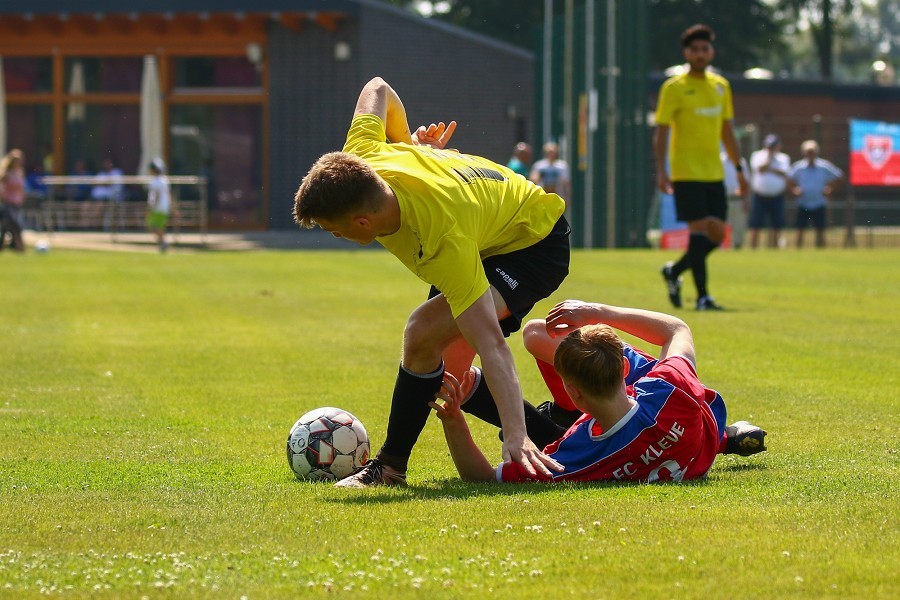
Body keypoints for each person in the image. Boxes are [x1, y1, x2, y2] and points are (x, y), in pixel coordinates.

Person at [293, 76, 571, 488]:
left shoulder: (441, 239)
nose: (337, 238)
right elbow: (378, 87)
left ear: (363, 221)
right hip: (485, 228)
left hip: (532, 243)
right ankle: (561, 437)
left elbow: (491, 343)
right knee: (450, 378)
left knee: (422, 333)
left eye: (336, 230)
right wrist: (408, 145)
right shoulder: (360, 156)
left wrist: (515, 433)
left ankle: (389, 467)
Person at [430, 300, 768, 484]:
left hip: (669, 442)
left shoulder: (578, 455)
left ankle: (556, 414)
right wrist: (599, 312)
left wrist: (454, 422)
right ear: (624, 369)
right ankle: (724, 438)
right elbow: (676, 328)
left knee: (534, 333)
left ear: (575, 394)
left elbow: (484, 478)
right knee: (537, 335)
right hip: (699, 432)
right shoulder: (670, 387)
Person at [655, 24, 748, 311]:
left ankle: (674, 270)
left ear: (711, 52)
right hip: (686, 172)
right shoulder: (674, 87)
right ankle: (704, 297)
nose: (699, 53)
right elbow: (661, 131)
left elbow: (728, 131)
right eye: (694, 49)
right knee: (697, 231)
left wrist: (740, 170)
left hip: (714, 173)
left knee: (718, 234)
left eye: (704, 48)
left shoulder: (721, 86)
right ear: (686, 52)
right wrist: (662, 170)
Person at [787, 140, 843, 249]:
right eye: (808, 152)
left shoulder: (824, 166)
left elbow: (840, 177)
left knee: (820, 230)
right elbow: (788, 178)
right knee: (800, 230)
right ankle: (797, 254)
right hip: (803, 203)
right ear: (804, 153)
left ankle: (821, 253)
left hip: (819, 202)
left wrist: (831, 188)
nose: (810, 155)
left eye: (812, 152)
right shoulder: (799, 167)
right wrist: (794, 190)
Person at [748, 134, 790, 249]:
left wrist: (770, 168)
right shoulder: (757, 155)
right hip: (759, 196)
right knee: (755, 225)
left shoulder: (784, 158)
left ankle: (774, 248)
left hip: (777, 196)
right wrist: (769, 158)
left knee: (776, 225)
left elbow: (784, 173)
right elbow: (760, 169)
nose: (771, 148)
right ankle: (753, 249)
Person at [529, 141, 571, 214]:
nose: (551, 154)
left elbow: (566, 183)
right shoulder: (539, 166)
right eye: (549, 152)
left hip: (558, 197)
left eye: (553, 152)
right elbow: (533, 181)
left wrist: (568, 198)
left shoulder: (562, 166)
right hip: (543, 198)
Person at [0, 149, 27, 253]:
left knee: (6, 227)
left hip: (17, 203)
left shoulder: (20, 172)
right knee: (16, 225)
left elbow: (22, 188)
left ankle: (4, 246)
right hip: (8, 202)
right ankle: (20, 247)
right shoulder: (7, 174)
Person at [721, 149, 749, 249]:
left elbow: (746, 181)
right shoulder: (720, 160)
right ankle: (722, 249)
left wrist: (745, 200)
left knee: (739, 227)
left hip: (738, 199)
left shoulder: (742, 162)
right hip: (723, 199)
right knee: (721, 227)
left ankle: (737, 248)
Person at [92, 157, 125, 231]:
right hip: (96, 199)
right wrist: (102, 184)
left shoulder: (117, 173)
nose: (106, 165)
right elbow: (93, 183)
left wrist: (102, 183)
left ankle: (95, 227)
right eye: (105, 164)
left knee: (98, 206)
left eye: (108, 164)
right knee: (86, 205)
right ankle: (87, 227)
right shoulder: (101, 173)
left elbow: (109, 184)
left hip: (112, 198)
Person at [146, 158, 171, 252]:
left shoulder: (155, 181)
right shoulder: (164, 180)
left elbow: (156, 195)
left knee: (153, 226)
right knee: (159, 226)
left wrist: (151, 207)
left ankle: (164, 242)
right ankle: (162, 242)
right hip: (164, 207)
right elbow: (169, 194)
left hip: (158, 208)